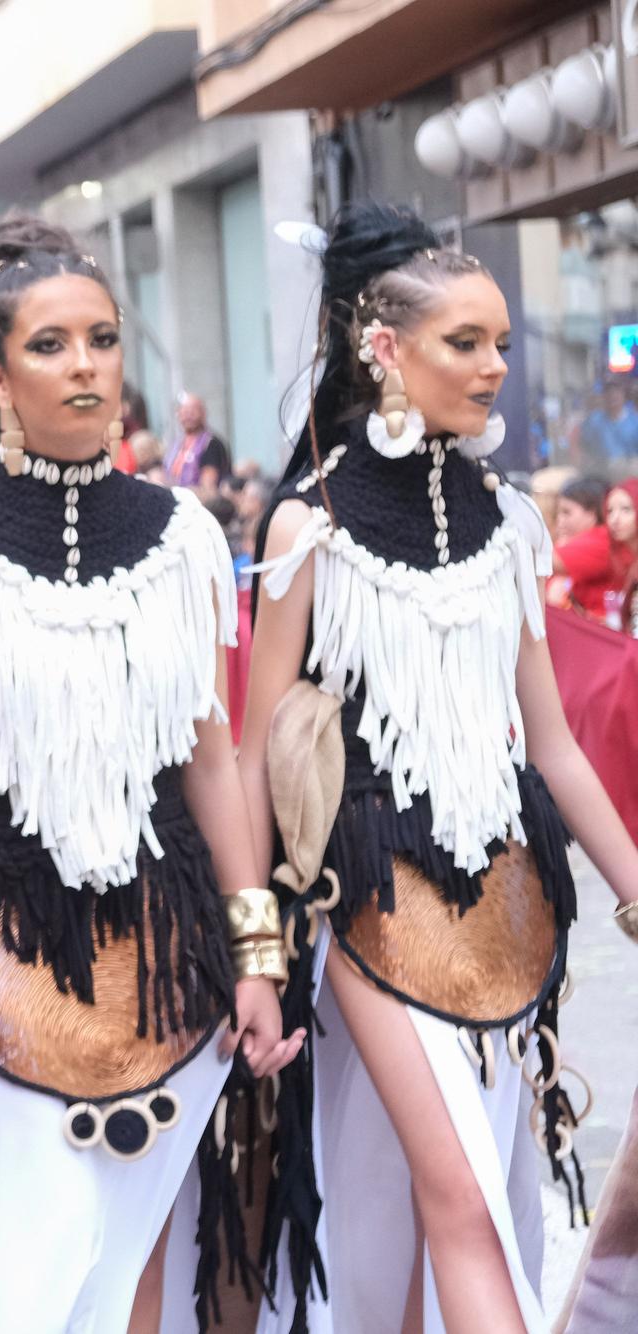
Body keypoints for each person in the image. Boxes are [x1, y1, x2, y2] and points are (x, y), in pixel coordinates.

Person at [0, 214, 299, 1333]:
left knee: (140, 1285)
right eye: (50, 345)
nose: (84, 364)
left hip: (168, 952)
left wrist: (256, 956)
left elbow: (212, 757)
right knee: (18, 1290)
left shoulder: (184, 535)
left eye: (100, 339)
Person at [241, 203, 638, 1334]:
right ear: (383, 351)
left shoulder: (512, 523)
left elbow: (550, 742)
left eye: (501, 342)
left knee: (443, 1213)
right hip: (364, 884)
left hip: (508, 891)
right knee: (458, 1193)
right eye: (464, 341)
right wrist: (252, 953)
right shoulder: (306, 526)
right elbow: (252, 750)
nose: (493, 366)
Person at [553, 477, 636, 622]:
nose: (615, 519)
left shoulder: (602, 541)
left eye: (626, 510)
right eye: (610, 511)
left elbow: (548, 562)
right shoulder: (617, 547)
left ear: (592, 513)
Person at [166, 392, 232, 494]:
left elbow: (209, 487)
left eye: (193, 410)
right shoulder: (176, 445)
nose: (188, 415)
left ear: (203, 413)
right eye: (184, 411)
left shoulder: (211, 444)